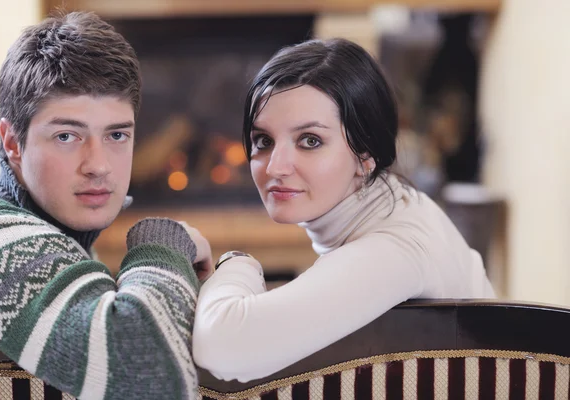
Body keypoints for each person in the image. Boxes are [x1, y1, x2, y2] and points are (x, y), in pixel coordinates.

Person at [192, 38, 494, 382]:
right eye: (264, 141)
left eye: (310, 141)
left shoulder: (393, 249)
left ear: (365, 156)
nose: (275, 167)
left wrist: (236, 263)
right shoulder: (401, 203)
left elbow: (223, 347)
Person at [0, 11, 212, 399]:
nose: (98, 165)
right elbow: (148, 380)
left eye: (117, 135)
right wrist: (163, 238)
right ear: (13, 143)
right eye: (67, 136)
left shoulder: (54, 231)